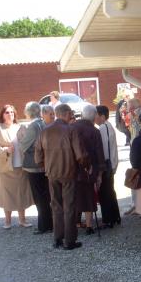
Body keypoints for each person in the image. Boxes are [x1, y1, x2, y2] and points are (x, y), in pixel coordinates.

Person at [35, 104, 86, 250]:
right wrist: (85, 165)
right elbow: (80, 155)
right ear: (67, 113)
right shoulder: (71, 130)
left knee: (56, 205)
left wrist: (45, 166)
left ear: (57, 114)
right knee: (69, 206)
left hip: (52, 173)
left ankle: (57, 238)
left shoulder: (45, 131)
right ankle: (69, 241)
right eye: (70, 113)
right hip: (68, 173)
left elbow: (38, 155)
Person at [0, 104, 34, 229]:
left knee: (21, 193)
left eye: (12, 112)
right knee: (6, 194)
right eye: (7, 112)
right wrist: (5, 149)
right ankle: (7, 220)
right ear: (2, 115)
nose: (10, 115)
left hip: (21, 166)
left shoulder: (21, 127)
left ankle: (22, 219)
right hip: (5, 167)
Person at [19, 101, 53, 235]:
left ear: (28, 112)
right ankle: (49, 224)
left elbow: (23, 146)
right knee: (46, 196)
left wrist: (21, 135)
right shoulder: (43, 123)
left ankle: (44, 226)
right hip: (44, 164)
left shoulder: (32, 126)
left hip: (34, 166)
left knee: (39, 198)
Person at [73, 105, 105, 234]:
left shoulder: (71, 128)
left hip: (73, 168)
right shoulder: (95, 131)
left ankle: (75, 222)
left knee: (74, 195)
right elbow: (99, 153)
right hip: (89, 169)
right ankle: (89, 225)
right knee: (88, 196)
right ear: (94, 116)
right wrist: (100, 173)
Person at [95, 105, 121, 228]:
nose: (94, 118)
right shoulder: (108, 126)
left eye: (96, 115)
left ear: (102, 116)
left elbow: (104, 149)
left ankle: (108, 219)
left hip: (107, 164)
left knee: (105, 192)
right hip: (112, 163)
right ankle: (115, 216)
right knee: (110, 190)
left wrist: (101, 166)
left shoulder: (103, 128)